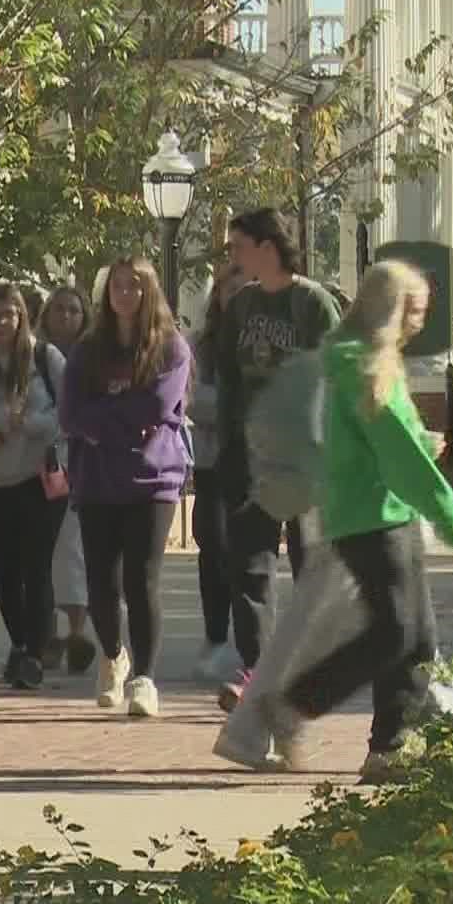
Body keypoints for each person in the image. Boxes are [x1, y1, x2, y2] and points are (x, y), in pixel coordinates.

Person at [251, 260, 453, 781]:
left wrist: (421, 447)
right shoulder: (363, 366)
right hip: (372, 517)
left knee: (415, 636)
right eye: (415, 310)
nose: (420, 322)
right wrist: (450, 515)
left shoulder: (356, 361)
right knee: (394, 633)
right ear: (391, 309)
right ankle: (297, 704)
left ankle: (390, 746)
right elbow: (394, 447)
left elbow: (376, 442)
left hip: (376, 511)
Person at [215, 208, 340, 709]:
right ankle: (257, 672)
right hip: (251, 457)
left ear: (267, 247)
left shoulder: (312, 303)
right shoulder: (242, 306)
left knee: (310, 565)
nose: (233, 256)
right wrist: (229, 446)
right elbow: (228, 380)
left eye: (238, 245)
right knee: (249, 568)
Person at [61, 255, 192, 719]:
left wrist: (104, 419)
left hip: (153, 480)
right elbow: (70, 414)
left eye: (134, 286)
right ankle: (113, 656)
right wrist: (117, 422)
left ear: (149, 292)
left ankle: (145, 679)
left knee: (142, 580)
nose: (125, 294)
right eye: (117, 286)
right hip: (97, 479)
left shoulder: (171, 348)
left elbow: (156, 406)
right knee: (101, 582)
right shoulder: (87, 350)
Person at [0, 284, 67, 690]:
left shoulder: (44, 358)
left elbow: (68, 414)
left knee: (36, 566)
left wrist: (27, 423)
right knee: (7, 570)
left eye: (10, 314)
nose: (3, 323)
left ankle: (34, 653)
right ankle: (21, 641)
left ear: (22, 316)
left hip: (39, 478)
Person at [189, 262, 247, 683]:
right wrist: (240, 407)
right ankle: (214, 635)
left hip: (259, 463)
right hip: (212, 461)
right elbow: (191, 399)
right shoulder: (201, 345)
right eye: (231, 287)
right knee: (213, 543)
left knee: (251, 553)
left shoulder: (267, 341)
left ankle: (250, 644)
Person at [38, 284, 96, 673]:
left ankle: (78, 633)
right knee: (44, 554)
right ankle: (48, 634)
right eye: (58, 309)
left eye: (73, 310)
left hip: (85, 462)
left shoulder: (94, 356)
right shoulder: (36, 356)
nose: (65, 317)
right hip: (39, 462)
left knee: (73, 551)